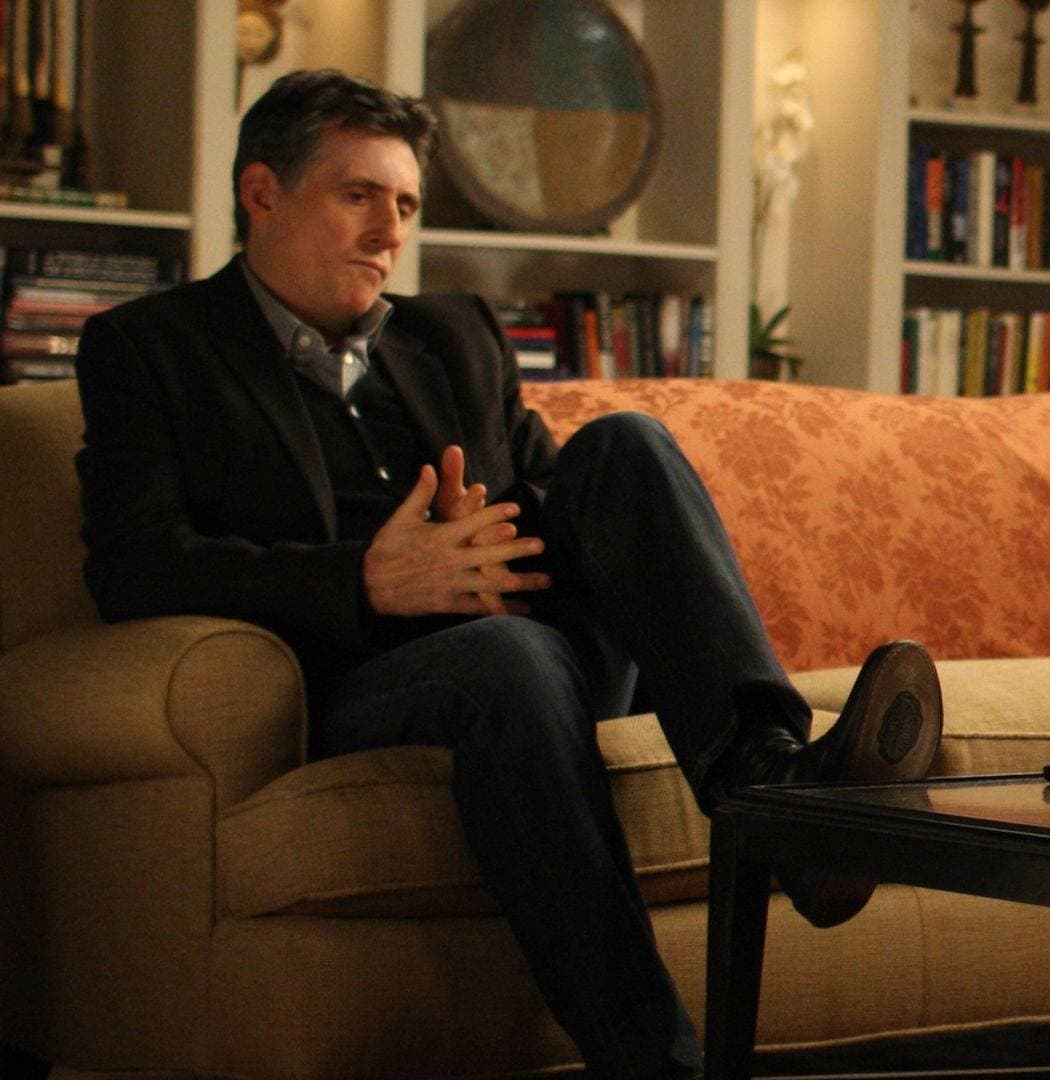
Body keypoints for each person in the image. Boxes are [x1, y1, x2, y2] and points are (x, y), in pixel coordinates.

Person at [72, 68, 943, 1079]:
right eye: (358, 195)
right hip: (362, 677)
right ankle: (657, 1063)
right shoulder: (151, 348)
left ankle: (775, 792)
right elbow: (135, 568)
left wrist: (486, 541)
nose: (389, 232)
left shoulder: (453, 335)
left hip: (536, 644)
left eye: (406, 205)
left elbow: (563, 505)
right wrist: (367, 580)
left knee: (623, 446)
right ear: (262, 193)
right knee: (510, 660)